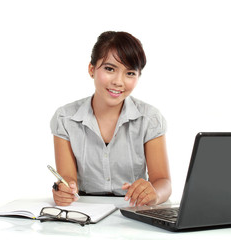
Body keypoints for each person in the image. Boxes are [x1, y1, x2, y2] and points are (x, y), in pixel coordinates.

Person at [50, 31, 171, 207]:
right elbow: (68, 179)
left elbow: (163, 182)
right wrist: (64, 190)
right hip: (86, 211)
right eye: (109, 69)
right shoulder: (65, 118)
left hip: (133, 210)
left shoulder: (149, 119)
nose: (118, 81)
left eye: (130, 73)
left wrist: (155, 195)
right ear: (92, 69)